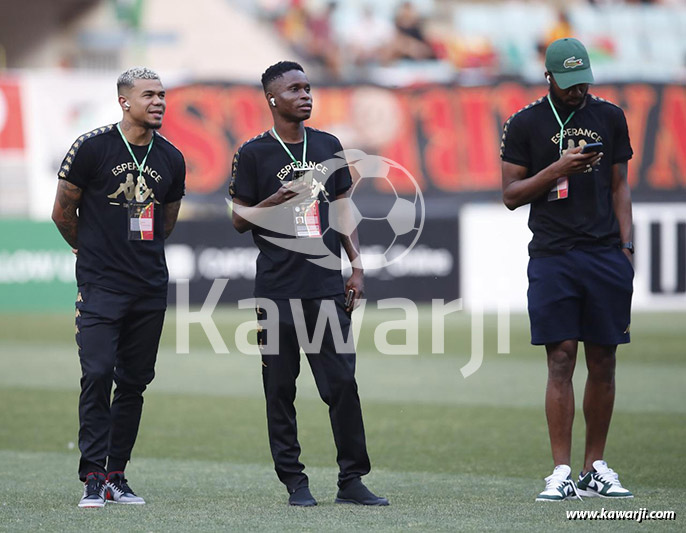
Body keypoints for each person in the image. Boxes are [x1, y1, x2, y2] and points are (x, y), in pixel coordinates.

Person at [229, 61, 388, 507]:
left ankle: (352, 480)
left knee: (341, 385)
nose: (305, 95)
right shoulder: (254, 153)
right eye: (294, 89)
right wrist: (273, 199)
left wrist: (355, 265)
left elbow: (342, 209)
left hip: (324, 286)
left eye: (307, 87)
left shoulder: (327, 145)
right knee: (280, 388)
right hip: (277, 290)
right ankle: (295, 482)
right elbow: (239, 220)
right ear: (272, 98)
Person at [500, 38, 635, 502]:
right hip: (554, 255)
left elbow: (620, 187)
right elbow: (511, 195)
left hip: (604, 254)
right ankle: (560, 471)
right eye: (569, 84)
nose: (578, 92)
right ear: (549, 76)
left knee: (604, 359)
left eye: (583, 83)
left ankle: (594, 467)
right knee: (560, 357)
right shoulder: (525, 123)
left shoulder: (611, 117)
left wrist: (627, 248)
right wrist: (559, 168)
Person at [51, 67, 185, 508]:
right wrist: (88, 253)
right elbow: (63, 213)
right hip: (101, 286)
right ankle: (91, 476)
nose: (159, 102)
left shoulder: (171, 157)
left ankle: (115, 475)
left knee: (133, 383)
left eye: (162, 95)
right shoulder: (92, 147)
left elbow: (165, 221)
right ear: (124, 101)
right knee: (97, 373)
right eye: (149, 95)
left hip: (149, 288)